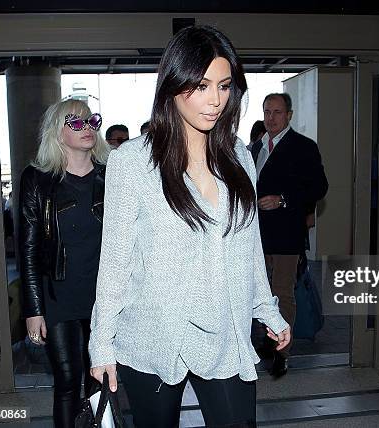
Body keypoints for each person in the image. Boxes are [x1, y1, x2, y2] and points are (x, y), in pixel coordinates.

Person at [88, 25, 290, 427]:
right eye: (201, 86)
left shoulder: (237, 154)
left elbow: (249, 246)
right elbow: (115, 262)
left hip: (226, 330)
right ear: (173, 85)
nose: (215, 101)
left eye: (224, 86)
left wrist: (268, 309)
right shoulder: (133, 162)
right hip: (152, 334)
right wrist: (101, 343)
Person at [19, 99, 109, 428]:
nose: (86, 127)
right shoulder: (38, 180)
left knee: (102, 381)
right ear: (57, 133)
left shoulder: (111, 175)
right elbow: (28, 248)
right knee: (68, 383)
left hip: (106, 297)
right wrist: (33, 309)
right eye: (75, 122)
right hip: (58, 297)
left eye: (91, 121)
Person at [250, 93, 328, 377]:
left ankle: (281, 351)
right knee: (257, 292)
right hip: (254, 235)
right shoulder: (254, 148)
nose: (271, 117)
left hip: (285, 233)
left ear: (289, 115)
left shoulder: (303, 147)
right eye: (267, 111)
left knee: (282, 292)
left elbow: (319, 187)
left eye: (277, 112)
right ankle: (265, 341)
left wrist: (283, 199)